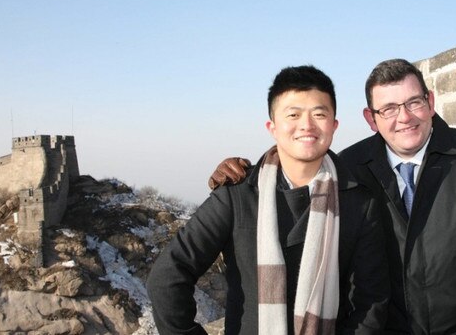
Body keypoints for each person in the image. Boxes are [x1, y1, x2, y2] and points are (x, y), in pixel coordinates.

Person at [208, 59, 456, 334]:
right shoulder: (350, 166)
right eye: (388, 108)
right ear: (371, 118)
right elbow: (296, 169)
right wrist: (244, 175)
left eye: (414, 102)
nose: (404, 118)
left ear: (430, 102)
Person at [148, 65, 389, 335]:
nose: (306, 125)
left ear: (334, 125)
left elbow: (371, 301)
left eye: (319, 114)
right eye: (293, 114)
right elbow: (167, 277)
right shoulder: (237, 195)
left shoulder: (357, 202)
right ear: (272, 127)